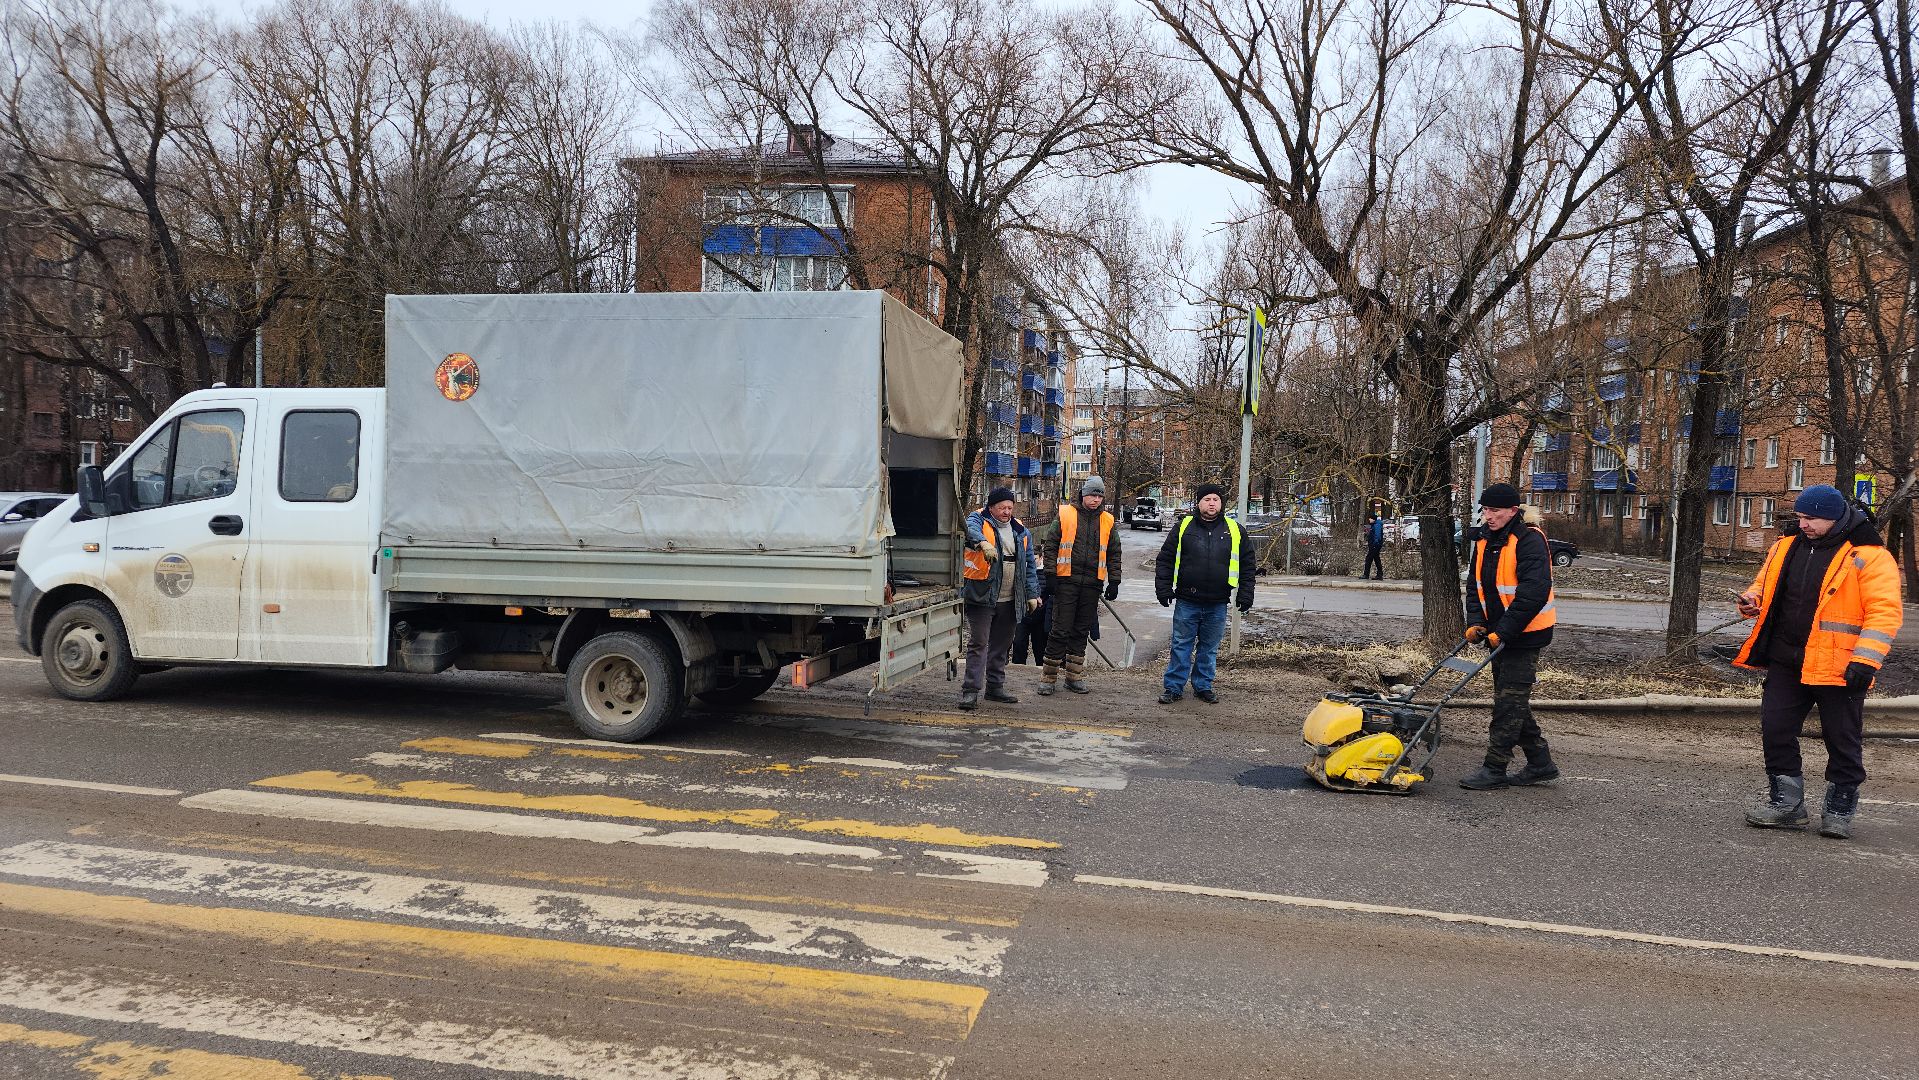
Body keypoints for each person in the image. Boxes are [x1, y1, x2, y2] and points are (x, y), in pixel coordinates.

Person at [1733, 484, 1902, 839]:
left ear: (1835, 517)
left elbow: (1884, 613)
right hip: (1786, 660)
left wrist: (1866, 661)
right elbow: (1763, 587)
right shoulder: (1784, 547)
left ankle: (1839, 808)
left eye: (1811, 518)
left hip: (1840, 666)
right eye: (1799, 516)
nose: (1803, 524)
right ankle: (1787, 805)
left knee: (1842, 739)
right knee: (1776, 730)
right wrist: (1751, 600)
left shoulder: (1869, 556)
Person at [1458, 483, 1560, 790]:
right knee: (1512, 700)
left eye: (1495, 511)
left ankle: (1495, 768)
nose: (1489, 516)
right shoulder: (1484, 541)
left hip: (1526, 634)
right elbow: (1475, 588)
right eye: (1485, 510)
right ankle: (1540, 763)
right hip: (1498, 635)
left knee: (1507, 704)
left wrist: (1503, 631)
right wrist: (1477, 623)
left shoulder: (1529, 540)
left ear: (1513, 511)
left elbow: (1533, 593)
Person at [1155, 483, 1253, 704]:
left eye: (1215, 499)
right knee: (1181, 645)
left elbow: (1248, 565)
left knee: (1209, 648)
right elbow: (1165, 559)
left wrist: (1246, 594)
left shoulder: (1235, 530)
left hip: (1218, 602)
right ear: (1198, 502)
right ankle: (1173, 687)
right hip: (1187, 600)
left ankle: (1203, 686)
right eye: (1207, 499)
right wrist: (1163, 588)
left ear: (1221, 503)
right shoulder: (1183, 527)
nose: (1211, 503)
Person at [958, 488, 1043, 710]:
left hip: (1011, 597)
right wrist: (983, 544)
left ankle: (995, 687)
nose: (1006, 512)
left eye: (1010, 508)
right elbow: (970, 530)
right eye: (1002, 508)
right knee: (979, 643)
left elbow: (1030, 566)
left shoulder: (1021, 530)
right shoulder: (978, 518)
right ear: (992, 507)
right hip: (983, 595)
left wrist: (1032, 594)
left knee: (1002, 645)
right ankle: (970, 691)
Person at [1038, 476, 1122, 695]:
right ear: (1083, 495)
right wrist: (1050, 575)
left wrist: (1114, 580)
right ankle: (1048, 678)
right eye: (1092, 495)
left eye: (1099, 496)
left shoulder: (1107, 520)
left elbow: (1114, 553)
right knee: (1060, 630)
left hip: (1092, 585)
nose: (1095, 499)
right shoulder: (1066, 514)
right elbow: (1051, 546)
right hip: (1066, 582)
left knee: (1080, 631)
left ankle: (1074, 676)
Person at [1362, 510, 1386, 581]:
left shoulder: (1377, 525)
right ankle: (1379, 575)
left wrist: (1374, 544)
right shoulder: (1375, 525)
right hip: (1375, 545)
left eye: (1370, 518)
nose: (1369, 520)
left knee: (1369, 559)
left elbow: (1377, 536)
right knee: (1376, 559)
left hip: (1375, 545)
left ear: (1373, 519)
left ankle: (1366, 575)